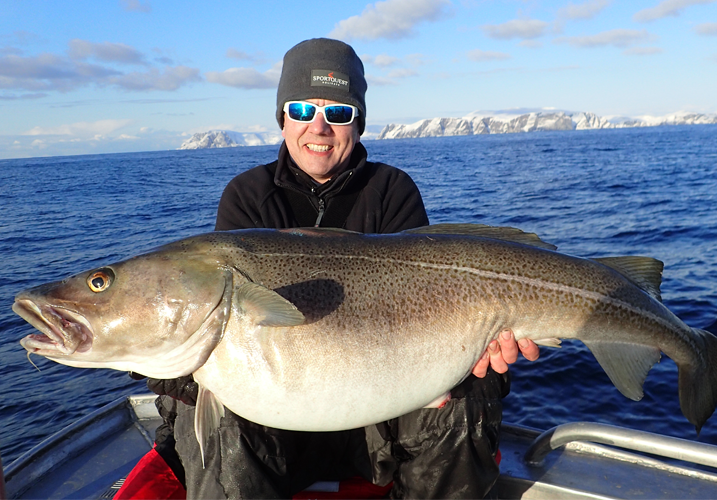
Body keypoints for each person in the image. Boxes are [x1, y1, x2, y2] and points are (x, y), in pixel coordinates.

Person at [134, 38, 539, 500]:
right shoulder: (247, 196)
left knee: (470, 394)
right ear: (283, 118)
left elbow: (433, 306)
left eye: (338, 113)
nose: (319, 128)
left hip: (379, 420)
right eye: (303, 110)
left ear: (359, 123)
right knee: (205, 409)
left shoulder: (392, 191)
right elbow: (215, 326)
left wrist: (477, 353)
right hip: (274, 428)